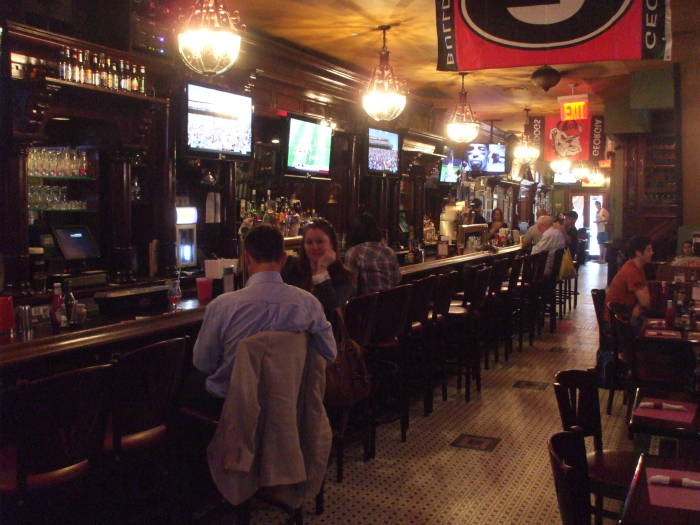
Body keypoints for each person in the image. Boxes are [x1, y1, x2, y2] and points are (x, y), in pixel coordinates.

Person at [190, 225, 337, 415]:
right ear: (283, 259)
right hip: (290, 405)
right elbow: (329, 354)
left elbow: (203, 363)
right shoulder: (309, 304)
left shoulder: (222, 306)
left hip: (233, 407)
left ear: (247, 257)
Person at [282, 218, 355, 321]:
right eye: (309, 242)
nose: (314, 247)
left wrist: (321, 270)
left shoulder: (344, 277)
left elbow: (330, 311)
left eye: (320, 242)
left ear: (331, 244)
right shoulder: (292, 268)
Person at [344, 213, 401, 295]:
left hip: (367, 306)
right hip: (391, 304)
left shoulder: (354, 253)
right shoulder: (389, 251)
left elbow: (351, 289)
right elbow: (397, 280)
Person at [605, 236, 652, 323]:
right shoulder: (632, 270)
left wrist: (640, 305)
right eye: (648, 250)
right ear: (638, 253)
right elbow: (645, 302)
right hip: (617, 321)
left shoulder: (638, 268)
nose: (652, 253)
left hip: (625, 315)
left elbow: (645, 301)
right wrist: (641, 303)